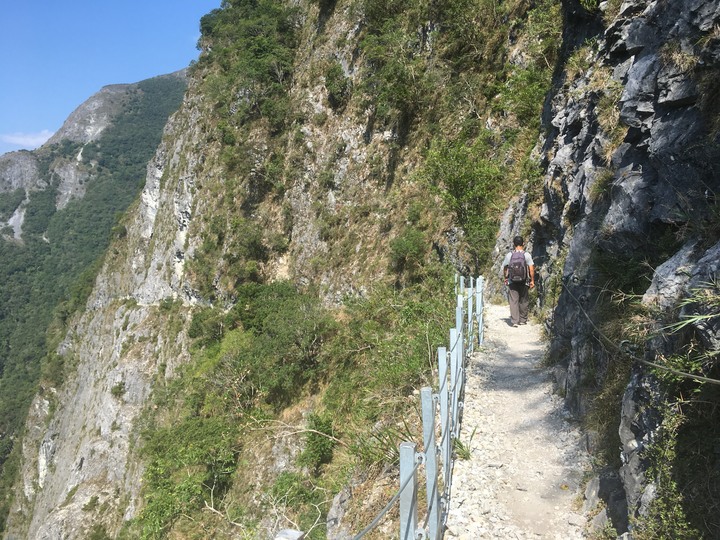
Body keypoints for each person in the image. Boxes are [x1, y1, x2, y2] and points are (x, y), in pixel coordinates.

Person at [502, 235, 535, 327]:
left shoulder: (509, 255)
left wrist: (506, 277)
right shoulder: (526, 255)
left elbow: (505, 268)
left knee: (513, 301)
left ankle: (515, 321)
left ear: (513, 244)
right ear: (523, 244)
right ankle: (523, 320)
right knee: (524, 300)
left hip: (512, 281)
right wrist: (532, 280)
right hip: (524, 281)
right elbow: (531, 269)